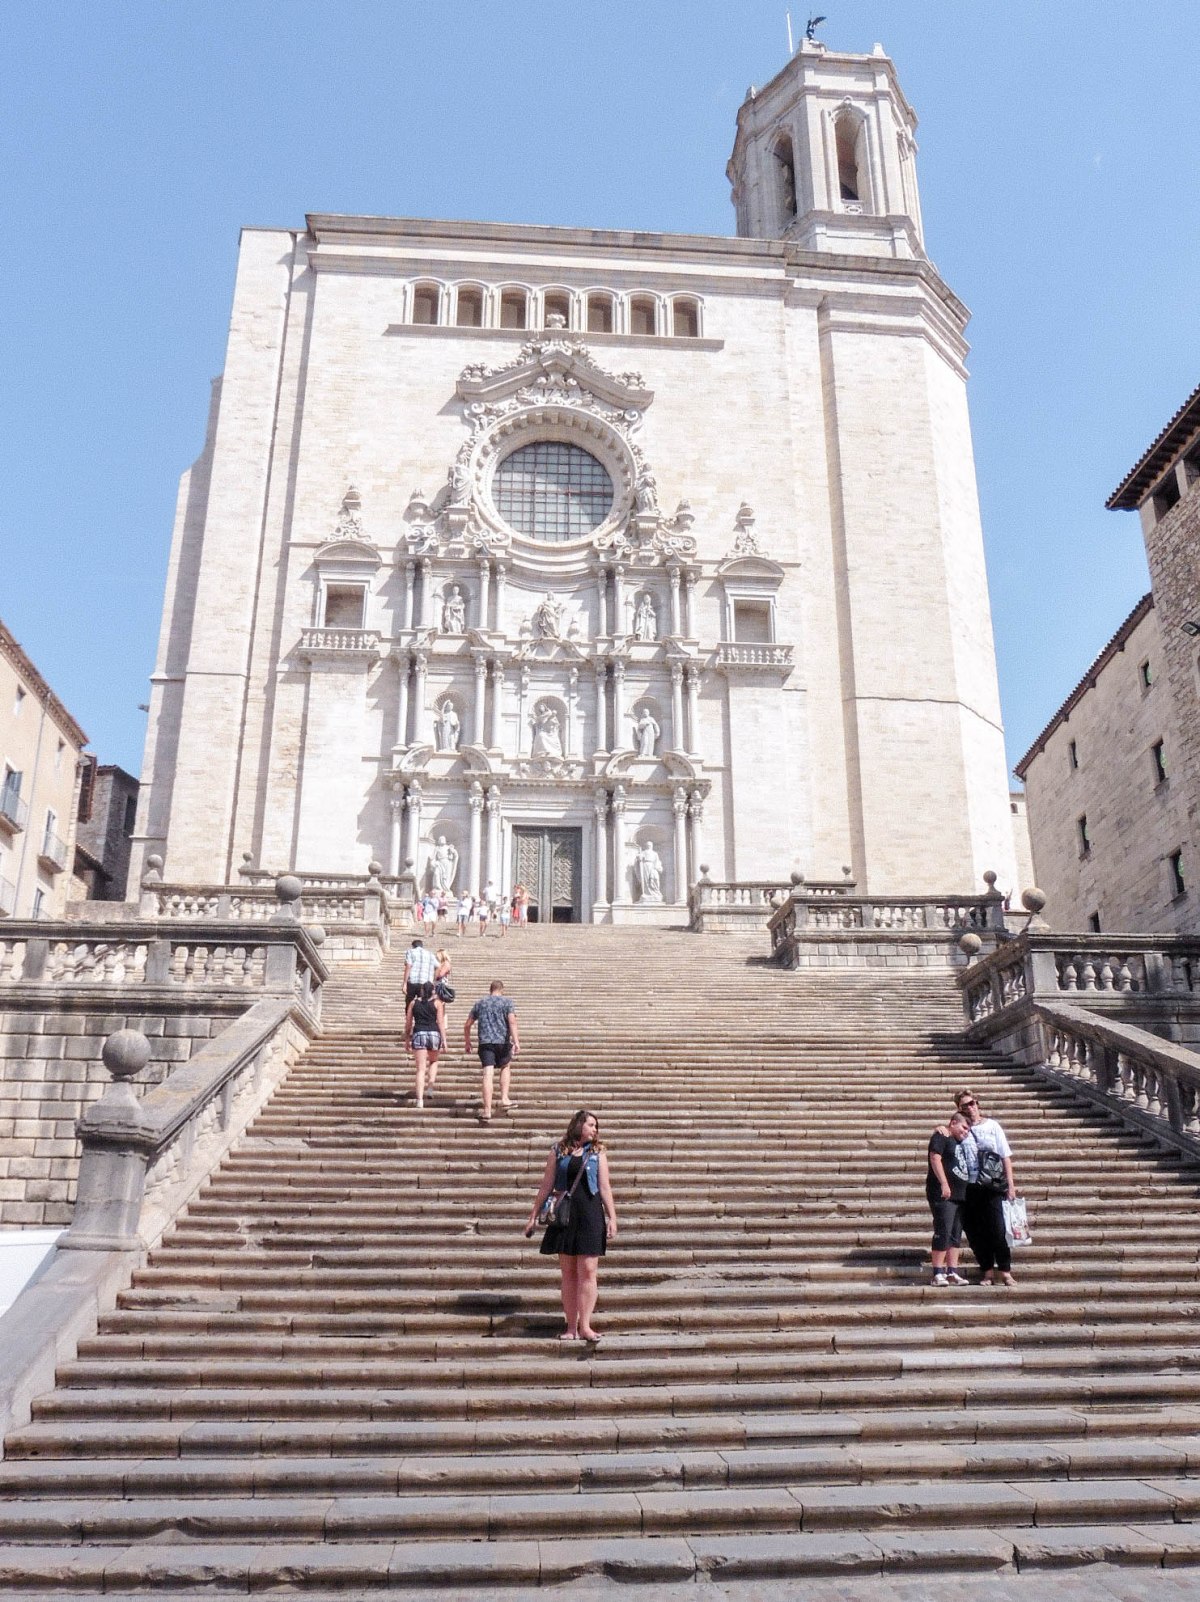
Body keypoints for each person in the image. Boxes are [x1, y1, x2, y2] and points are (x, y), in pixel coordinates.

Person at [524, 1110, 618, 1342]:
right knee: (568, 1273)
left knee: (587, 1271)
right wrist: (533, 1215)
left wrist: (612, 1217)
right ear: (578, 1125)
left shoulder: (598, 1152)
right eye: (591, 1125)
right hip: (564, 1215)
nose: (595, 1129)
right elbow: (546, 1184)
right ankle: (570, 1326)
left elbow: (605, 1187)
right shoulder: (558, 1150)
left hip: (590, 1214)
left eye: (596, 1126)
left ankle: (585, 1326)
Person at [956, 1089, 1018, 1287]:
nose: (970, 1107)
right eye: (965, 1105)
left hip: (993, 1185)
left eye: (972, 1103)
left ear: (978, 1103)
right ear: (959, 1109)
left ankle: (1005, 1271)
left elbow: (1005, 1156)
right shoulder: (961, 1128)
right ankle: (987, 1271)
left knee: (998, 1229)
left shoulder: (993, 1126)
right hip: (970, 1186)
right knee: (976, 1232)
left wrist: (1011, 1185)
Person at [926, 1110, 972, 1287]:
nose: (966, 1132)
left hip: (960, 1194)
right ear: (953, 1123)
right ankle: (937, 1272)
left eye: (968, 1130)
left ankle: (952, 1271)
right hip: (944, 1193)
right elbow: (935, 1158)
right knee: (943, 1229)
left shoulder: (960, 1142)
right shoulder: (941, 1136)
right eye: (964, 1127)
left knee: (955, 1234)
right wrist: (944, 1183)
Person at [464, 979, 520, 1122]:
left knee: (487, 1074)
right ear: (502, 990)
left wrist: (468, 1041)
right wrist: (516, 1041)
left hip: (486, 1042)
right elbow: (512, 1022)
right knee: (505, 1067)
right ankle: (504, 1098)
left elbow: (467, 1024)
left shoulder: (481, 1003)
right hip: (503, 1041)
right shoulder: (507, 1002)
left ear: (490, 990)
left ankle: (487, 1110)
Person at [404, 980, 445, 1109]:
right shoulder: (438, 1003)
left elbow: (408, 1023)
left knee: (420, 1069)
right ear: (433, 991)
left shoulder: (413, 1003)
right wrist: (444, 1040)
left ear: (421, 991)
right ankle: (430, 1089)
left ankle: (419, 1100)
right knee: (433, 1061)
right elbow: (440, 1023)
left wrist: (407, 1038)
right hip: (433, 1034)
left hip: (419, 1033)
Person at [403, 936, 437, 1005]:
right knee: (424, 1003)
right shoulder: (430, 954)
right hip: (425, 982)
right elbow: (438, 966)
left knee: (409, 1003)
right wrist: (433, 979)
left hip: (412, 981)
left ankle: (409, 1015)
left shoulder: (410, 951)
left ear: (413, 946)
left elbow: (408, 966)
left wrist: (405, 983)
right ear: (422, 946)